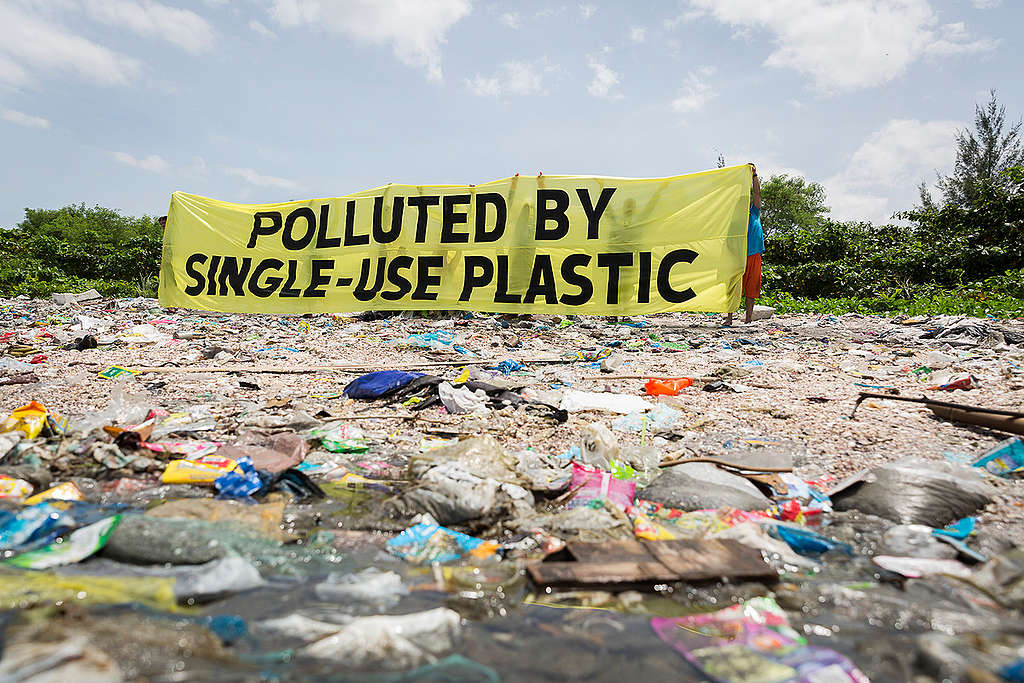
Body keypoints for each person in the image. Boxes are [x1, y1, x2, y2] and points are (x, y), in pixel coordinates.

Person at [725, 164, 763, 325]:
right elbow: (728, 239)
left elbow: (757, 193)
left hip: (754, 255)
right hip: (738, 257)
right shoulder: (734, 220)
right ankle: (729, 318)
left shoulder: (754, 212)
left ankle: (748, 319)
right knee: (735, 289)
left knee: (751, 289)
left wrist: (754, 176)